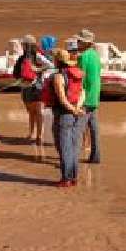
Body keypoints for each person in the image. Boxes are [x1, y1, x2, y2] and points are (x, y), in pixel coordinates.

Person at [44, 48, 86, 187]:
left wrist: (73, 110)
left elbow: (62, 98)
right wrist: (77, 108)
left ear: (57, 61)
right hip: (77, 113)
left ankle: (66, 178)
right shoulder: (76, 75)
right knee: (74, 146)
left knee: (63, 146)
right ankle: (73, 177)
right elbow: (82, 93)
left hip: (64, 114)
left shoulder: (58, 77)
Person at [12, 35, 52, 144]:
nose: (23, 46)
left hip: (35, 88)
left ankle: (38, 135)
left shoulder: (34, 56)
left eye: (24, 44)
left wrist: (37, 69)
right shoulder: (23, 58)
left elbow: (50, 66)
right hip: (29, 88)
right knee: (33, 112)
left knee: (38, 112)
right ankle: (33, 134)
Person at [76, 28, 102, 164]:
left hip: (85, 97)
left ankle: (72, 159)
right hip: (95, 95)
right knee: (94, 129)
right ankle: (96, 156)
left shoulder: (83, 56)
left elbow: (80, 76)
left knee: (78, 129)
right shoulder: (95, 55)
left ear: (85, 43)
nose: (77, 42)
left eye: (79, 41)